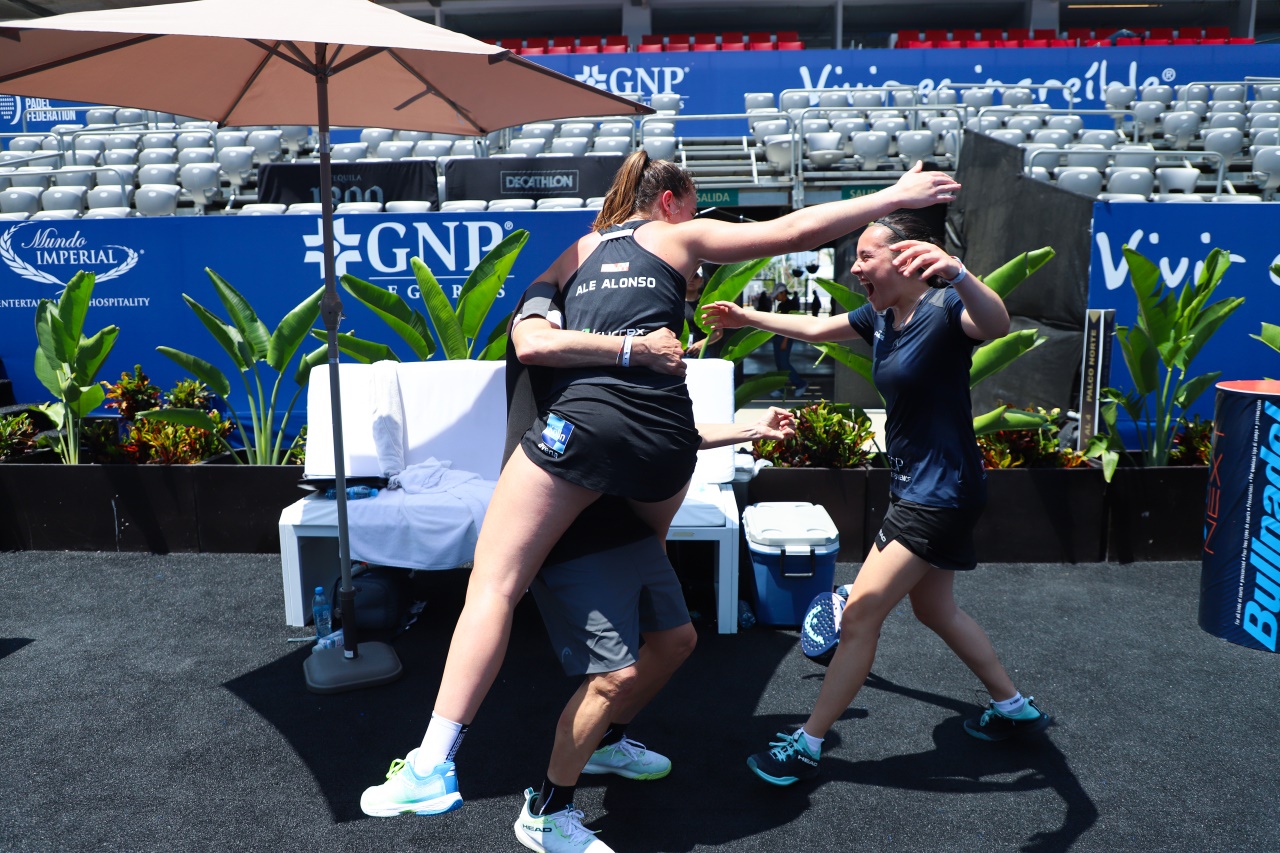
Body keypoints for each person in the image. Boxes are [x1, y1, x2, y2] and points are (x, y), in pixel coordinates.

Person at [358, 154, 960, 818]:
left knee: (493, 586)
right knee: (667, 626)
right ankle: (606, 735)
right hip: (662, 452)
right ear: (672, 200)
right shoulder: (677, 239)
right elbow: (795, 230)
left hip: (583, 437)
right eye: (696, 204)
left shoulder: (577, 252)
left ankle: (431, 762)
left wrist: (611, 347)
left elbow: (528, 341)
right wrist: (891, 195)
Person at [700, 210, 1052, 788]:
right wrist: (743, 316)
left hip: (939, 494)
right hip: (920, 487)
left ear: (908, 256)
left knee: (860, 615)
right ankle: (1014, 707)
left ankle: (808, 745)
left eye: (866, 256)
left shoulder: (944, 313)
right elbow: (815, 331)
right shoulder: (883, 316)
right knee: (934, 609)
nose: (855, 266)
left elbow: (996, 321)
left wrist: (959, 273)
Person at [503, 282, 794, 852]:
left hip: (624, 519)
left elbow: (661, 434)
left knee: (677, 641)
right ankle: (545, 808)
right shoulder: (559, 326)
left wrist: (747, 430)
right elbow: (533, 345)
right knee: (613, 675)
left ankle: (607, 742)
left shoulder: (634, 341)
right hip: (569, 526)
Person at [770, 286, 807, 397]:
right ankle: (781, 388)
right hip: (778, 336)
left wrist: (785, 340)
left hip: (784, 337)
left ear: (783, 293)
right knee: (779, 364)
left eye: (777, 295)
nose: (776, 297)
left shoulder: (791, 305)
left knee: (784, 363)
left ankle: (800, 384)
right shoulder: (781, 305)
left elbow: (791, 325)